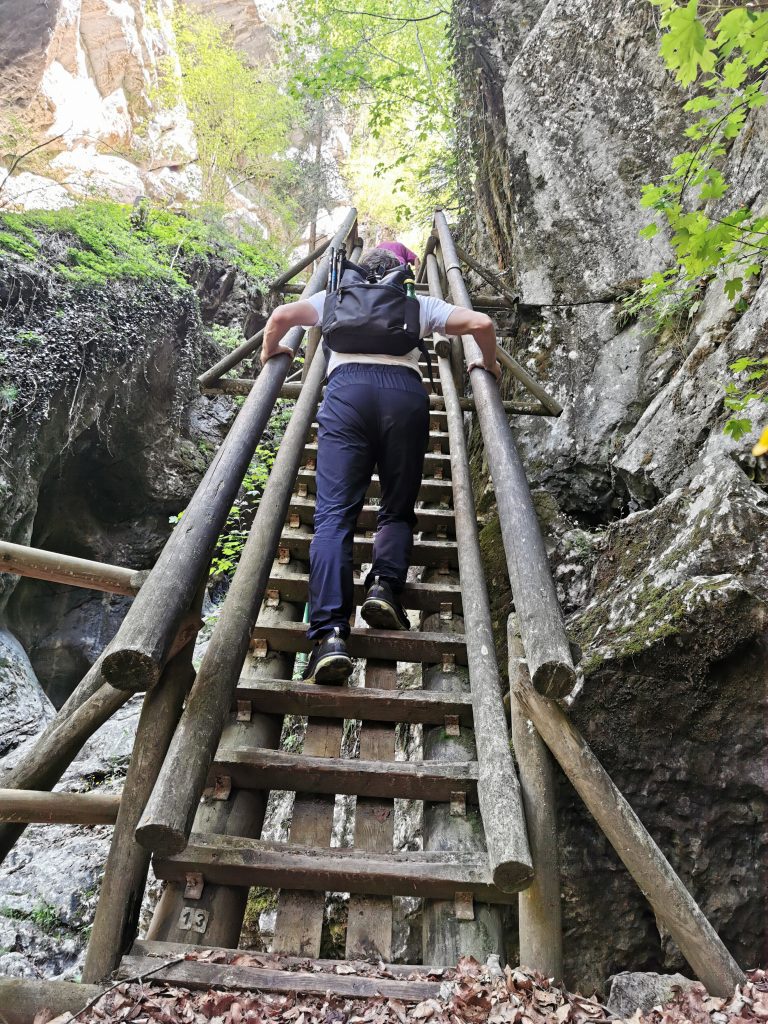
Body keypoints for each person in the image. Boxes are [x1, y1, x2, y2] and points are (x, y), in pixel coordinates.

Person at [261, 246, 500, 684]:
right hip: (404, 397)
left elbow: (279, 317)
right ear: (400, 277)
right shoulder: (415, 303)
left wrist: (271, 354)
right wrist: (487, 362)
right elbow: (482, 323)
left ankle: (330, 635)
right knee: (396, 504)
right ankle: (385, 587)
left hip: (346, 394)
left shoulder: (334, 298)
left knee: (333, 517)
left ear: (354, 275)